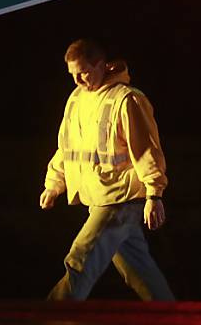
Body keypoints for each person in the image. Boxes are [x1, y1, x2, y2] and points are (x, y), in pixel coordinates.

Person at [40, 38, 174, 301]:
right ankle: (172, 316)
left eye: (83, 72)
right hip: (101, 198)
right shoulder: (77, 99)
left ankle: (47, 317)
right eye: (72, 74)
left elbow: (146, 150)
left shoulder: (127, 100)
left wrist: (154, 195)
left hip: (120, 200)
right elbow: (66, 146)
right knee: (140, 271)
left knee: (80, 261)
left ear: (101, 65)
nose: (77, 80)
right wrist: (54, 184)